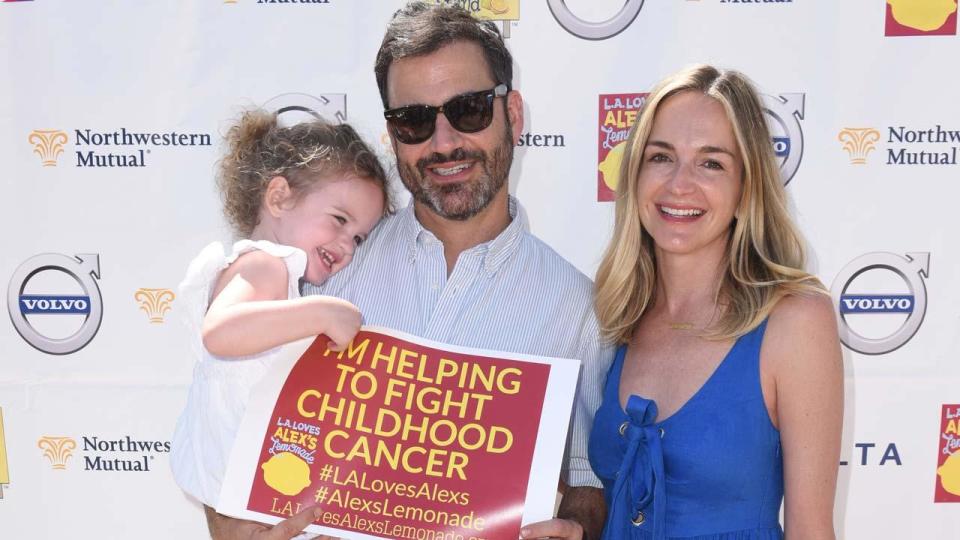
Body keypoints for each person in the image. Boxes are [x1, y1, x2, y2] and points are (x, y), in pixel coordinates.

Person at [204, 3, 612, 540]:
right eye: (414, 120)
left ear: (512, 114)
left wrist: (577, 529)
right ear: (392, 136)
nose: (443, 142)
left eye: (469, 110)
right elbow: (222, 427)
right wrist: (235, 531)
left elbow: (589, 483)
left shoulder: (578, 309)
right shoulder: (321, 272)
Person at [588, 64, 843, 539]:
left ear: (747, 185)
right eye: (660, 157)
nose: (679, 184)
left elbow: (811, 530)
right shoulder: (617, 313)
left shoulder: (795, 320)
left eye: (711, 163)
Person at [169, 109, 390, 537]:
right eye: (340, 220)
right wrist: (322, 312)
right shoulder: (268, 265)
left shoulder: (273, 274)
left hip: (250, 487)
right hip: (242, 485)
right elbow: (222, 331)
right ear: (279, 198)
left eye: (359, 237)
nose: (346, 245)